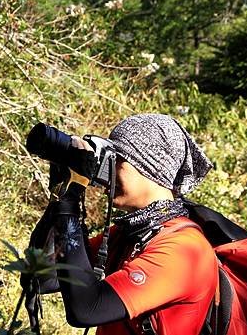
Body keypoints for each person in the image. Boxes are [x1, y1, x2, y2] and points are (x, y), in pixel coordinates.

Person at [34, 113, 218, 335]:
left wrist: (69, 202)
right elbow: (43, 276)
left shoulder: (184, 250)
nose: (107, 172)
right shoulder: (130, 235)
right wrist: (61, 196)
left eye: (116, 159)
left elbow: (86, 309)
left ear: (150, 167)